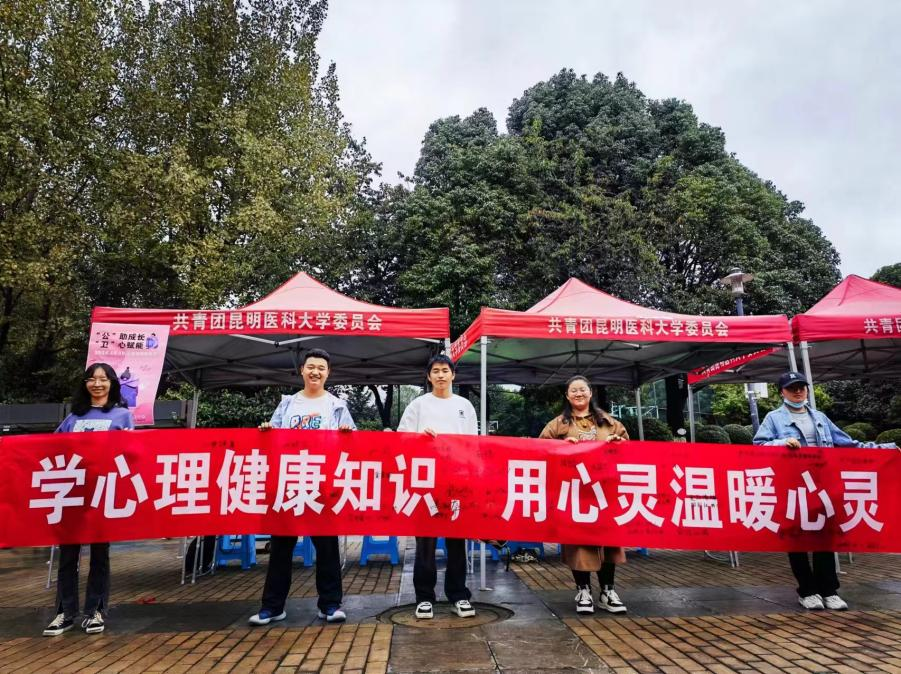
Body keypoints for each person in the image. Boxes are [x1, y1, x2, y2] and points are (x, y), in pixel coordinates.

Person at [754, 371, 899, 611]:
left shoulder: (820, 417)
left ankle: (829, 590)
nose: (798, 391)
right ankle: (807, 591)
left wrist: (886, 450)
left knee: (825, 536)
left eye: (801, 387)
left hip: (822, 485)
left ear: (807, 390)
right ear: (782, 392)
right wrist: (781, 443)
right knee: (797, 539)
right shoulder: (773, 418)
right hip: (792, 487)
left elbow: (849, 445)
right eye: (792, 388)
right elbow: (759, 446)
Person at [248, 348, 355, 626]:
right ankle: (272, 607)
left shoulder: (337, 406)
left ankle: (330, 605)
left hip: (322, 486)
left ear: (328, 373)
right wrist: (265, 431)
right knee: (281, 548)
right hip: (289, 484)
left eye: (321, 368)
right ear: (302, 371)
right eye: (311, 367)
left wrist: (346, 436)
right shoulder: (288, 404)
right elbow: (271, 438)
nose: (315, 372)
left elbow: (352, 445)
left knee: (327, 547)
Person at [43, 363, 135, 636]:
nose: (97, 384)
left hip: (103, 493)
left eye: (103, 379)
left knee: (99, 555)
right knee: (68, 556)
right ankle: (64, 612)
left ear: (112, 384)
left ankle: (95, 610)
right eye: (92, 379)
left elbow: (133, 453)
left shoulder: (122, 416)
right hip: (72, 494)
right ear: (85, 384)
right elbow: (52, 448)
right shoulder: (73, 417)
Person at [539, 375, 629, 616]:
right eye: (573, 391)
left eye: (582, 390)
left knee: (608, 543)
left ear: (590, 393)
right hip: (574, 494)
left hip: (605, 493)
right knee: (578, 543)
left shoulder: (610, 423)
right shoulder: (557, 425)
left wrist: (618, 443)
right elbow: (540, 450)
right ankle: (583, 590)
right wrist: (560, 447)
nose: (578, 394)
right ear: (567, 396)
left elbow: (629, 452)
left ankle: (608, 591)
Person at [397, 354, 478, 620]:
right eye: (436, 371)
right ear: (428, 376)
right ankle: (424, 597)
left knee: (457, 541)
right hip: (426, 483)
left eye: (445, 370)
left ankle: (458, 595)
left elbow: (473, 444)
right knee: (425, 542)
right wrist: (419, 438)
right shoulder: (418, 405)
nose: (441, 375)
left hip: (456, 481)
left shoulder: (465, 406)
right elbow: (401, 438)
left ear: (453, 375)